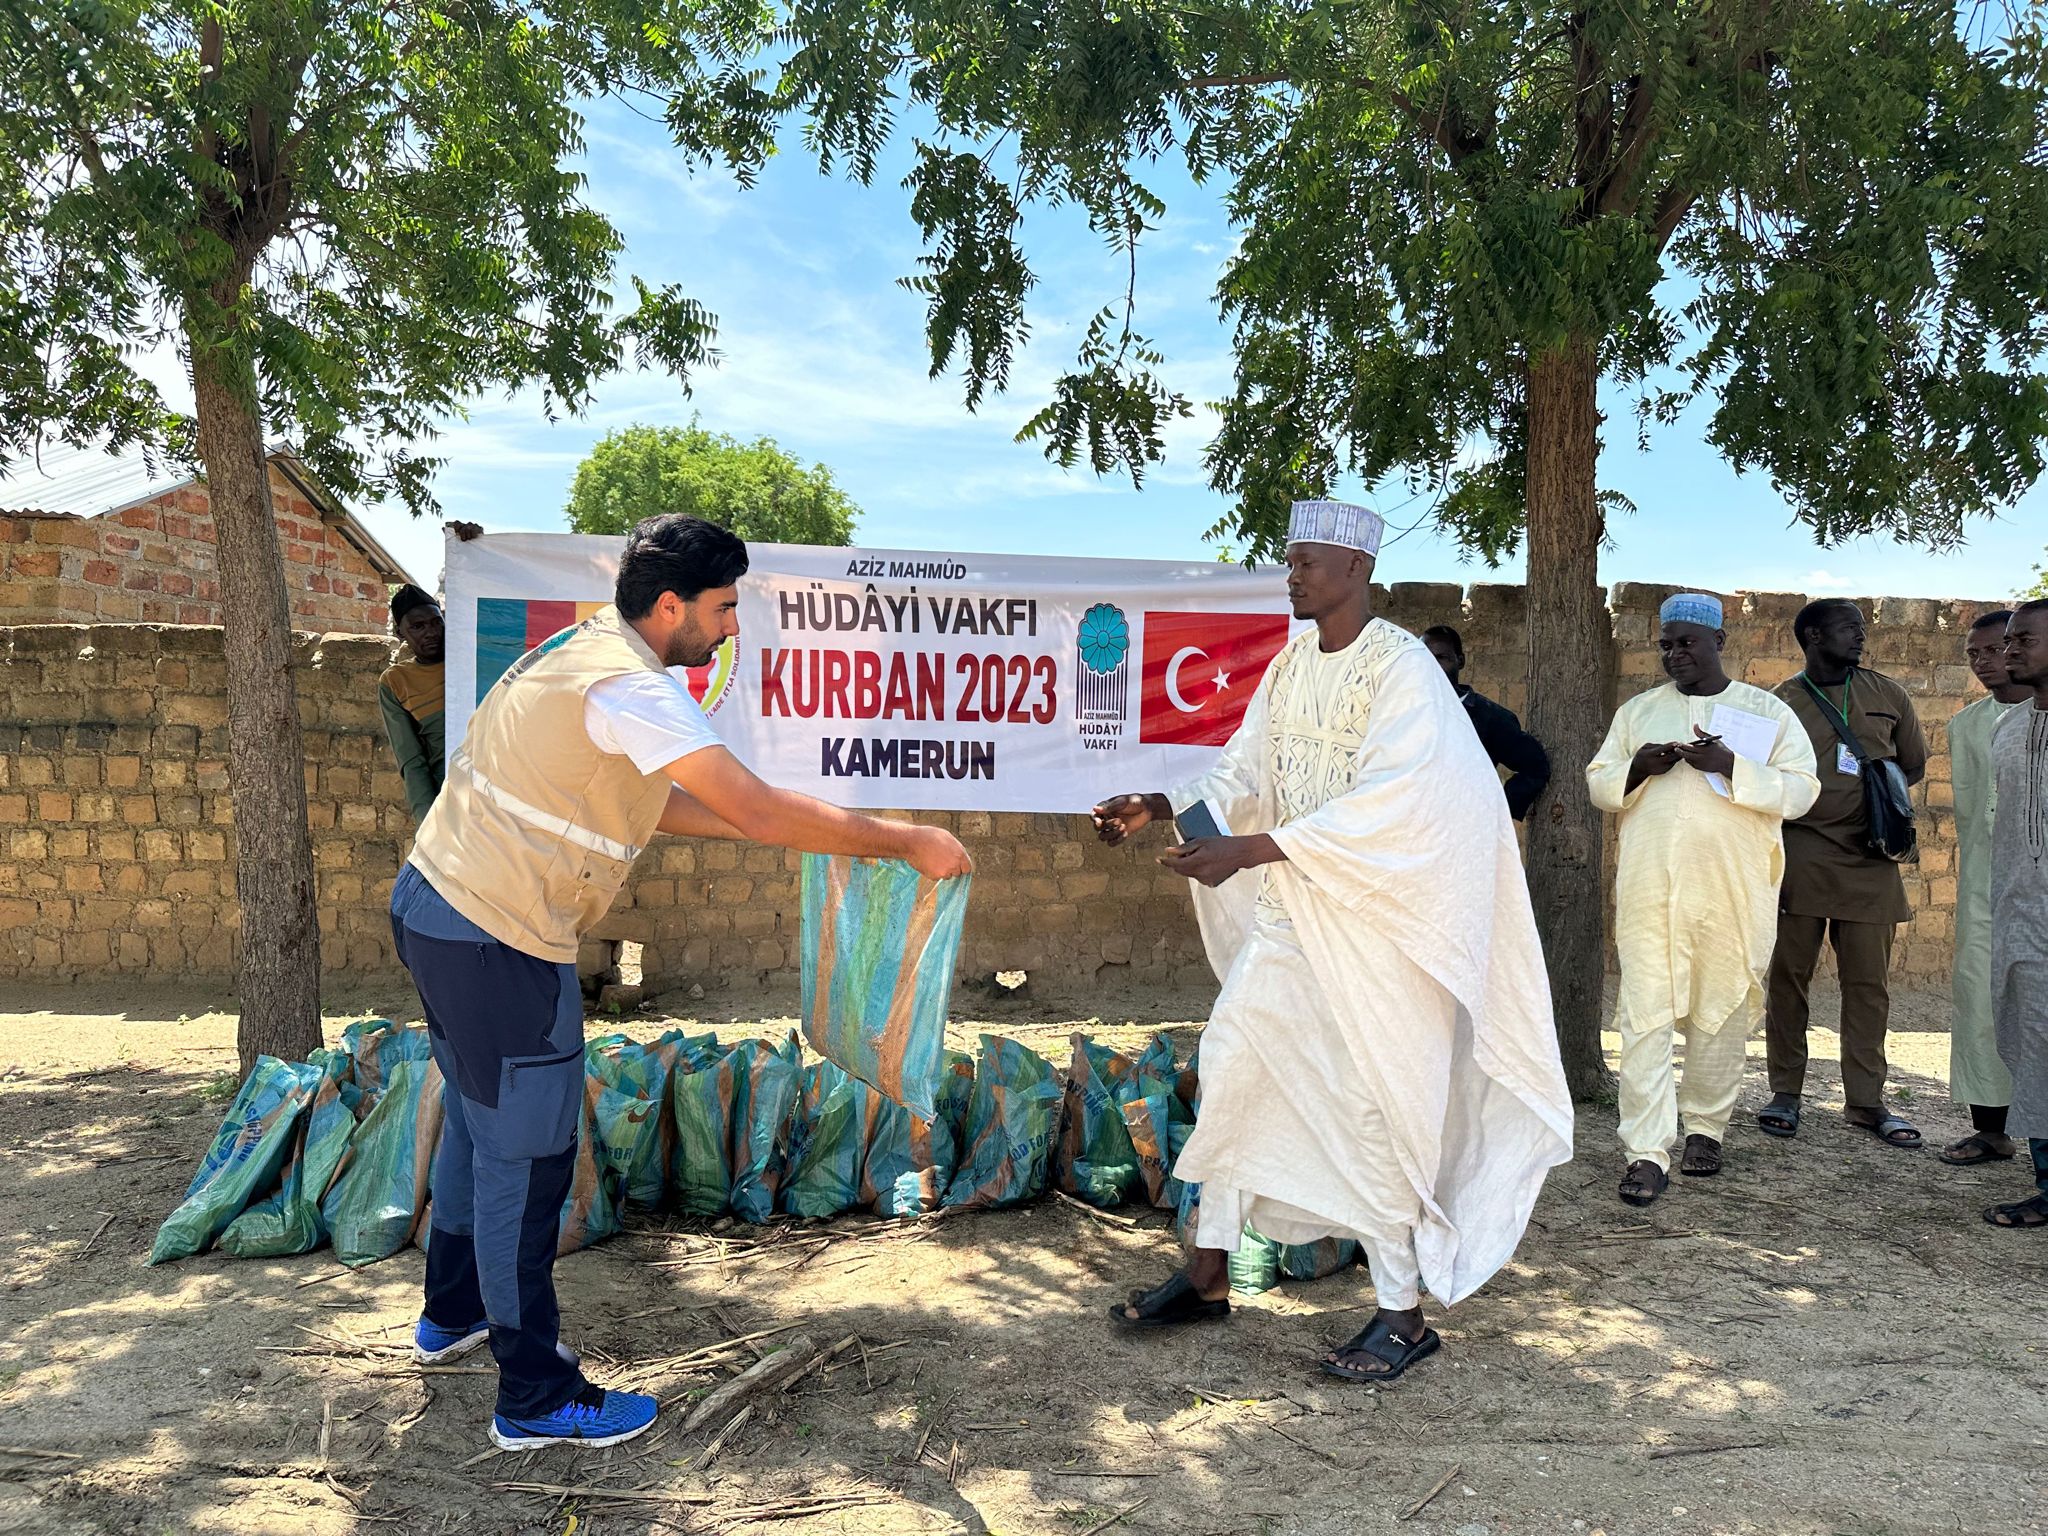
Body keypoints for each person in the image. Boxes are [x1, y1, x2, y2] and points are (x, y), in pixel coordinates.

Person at [391, 514, 971, 1449]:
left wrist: (790, 830)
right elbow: (753, 805)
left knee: (475, 1119)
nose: (731, 626)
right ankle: (533, 1396)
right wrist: (903, 839)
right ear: (671, 606)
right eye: (723, 607)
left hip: (439, 905)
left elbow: (664, 803)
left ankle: (451, 1312)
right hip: (498, 937)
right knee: (527, 1160)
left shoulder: (583, 652)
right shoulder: (629, 684)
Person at [1091, 499, 1572, 1385]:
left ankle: (1403, 1315)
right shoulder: (1289, 665)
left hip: (1379, 928)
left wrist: (1249, 850)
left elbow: (1400, 804)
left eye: (1308, 561)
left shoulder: (1403, 671)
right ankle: (1208, 1270)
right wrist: (1160, 804)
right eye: (1290, 561)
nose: (1293, 576)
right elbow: (1244, 770)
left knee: (1370, 1105)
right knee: (1233, 1066)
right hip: (1293, 916)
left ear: (1356, 568)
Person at [1588, 594, 1819, 1205]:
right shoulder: (1639, 712)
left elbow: (1802, 791)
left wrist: (1731, 764)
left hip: (1731, 888)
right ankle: (1645, 1150)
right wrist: (1638, 768)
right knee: (1645, 1015)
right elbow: (1600, 782)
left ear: (1719, 641)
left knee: (1722, 1007)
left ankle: (1705, 1129)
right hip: (1650, 890)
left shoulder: (1765, 712)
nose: (1674, 654)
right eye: (1666, 644)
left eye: (1687, 642)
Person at [1758, 599, 1928, 1148]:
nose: (1861, 636)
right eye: (1848, 628)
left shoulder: (1888, 694)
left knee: (1868, 986)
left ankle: (1867, 1102)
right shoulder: (1779, 702)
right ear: (1812, 635)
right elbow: (1760, 775)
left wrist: (1872, 804)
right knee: (1788, 979)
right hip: (1801, 855)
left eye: (1862, 627)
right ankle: (1785, 1092)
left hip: (1871, 860)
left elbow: (1913, 764)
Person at [1941, 611, 2028, 1166]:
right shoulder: (1965, 725)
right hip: (1983, 888)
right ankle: (1991, 1130)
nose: (1983, 662)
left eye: (1994, 650)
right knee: (1978, 1000)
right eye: (1973, 653)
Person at [1985, 600, 2048, 1228]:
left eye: (2023, 640)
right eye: (2008, 642)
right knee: (2032, 1044)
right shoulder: (2007, 728)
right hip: (2020, 914)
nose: (2009, 652)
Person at [1420, 624, 1551, 820]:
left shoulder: (1488, 716)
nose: (1432, 665)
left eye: (1441, 658)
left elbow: (1535, 766)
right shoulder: (1402, 711)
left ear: (1460, 661)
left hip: (1462, 829)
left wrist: (1498, 811)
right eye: (1424, 658)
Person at [379, 584, 448, 823]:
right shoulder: (396, 681)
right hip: (447, 795)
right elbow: (411, 761)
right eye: (418, 627)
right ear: (400, 633)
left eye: (436, 622)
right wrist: (428, 824)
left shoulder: (473, 658)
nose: (431, 633)